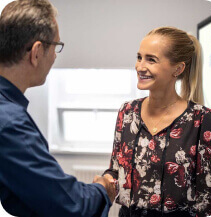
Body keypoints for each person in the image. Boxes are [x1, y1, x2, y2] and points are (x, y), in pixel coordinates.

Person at [0, 0, 115, 216]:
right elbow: (70, 205)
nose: (54, 56)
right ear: (36, 52)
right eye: (56, 47)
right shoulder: (10, 122)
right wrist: (103, 190)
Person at [102, 27, 211, 217]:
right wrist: (104, 182)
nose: (140, 66)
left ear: (178, 69)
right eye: (139, 57)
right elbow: (116, 171)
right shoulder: (127, 112)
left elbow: (207, 199)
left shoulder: (202, 119)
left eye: (151, 59)